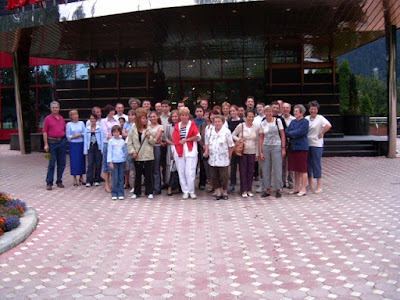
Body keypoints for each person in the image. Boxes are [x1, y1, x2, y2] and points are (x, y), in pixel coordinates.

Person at [127, 108, 156, 199]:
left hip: (147, 155)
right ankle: (137, 192)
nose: (145, 120)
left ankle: (149, 192)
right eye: (142, 118)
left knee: (148, 175)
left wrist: (149, 137)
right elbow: (129, 142)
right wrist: (133, 152)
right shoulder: (133, 129)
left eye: (145, 118)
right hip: (137, 155)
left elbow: (154, 141)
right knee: (138, 175)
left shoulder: (149, 128)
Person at [172, 107, 200, 199]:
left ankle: (191, 191)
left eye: (186, 115)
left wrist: (186, 140)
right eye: (182, 115)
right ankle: (185, 191)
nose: (184, 117)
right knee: (181, 171)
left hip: (190, 150)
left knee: (190, 172)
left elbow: (197, 136)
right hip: (179, 150)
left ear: (188, 116)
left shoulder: (192, 124)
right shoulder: (177, 126)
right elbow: (175, 139)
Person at [204, 115, 234, 200]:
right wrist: (206, 151)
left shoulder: (226, 132)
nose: (217, 123)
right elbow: (207, 143)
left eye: (219, 121)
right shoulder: (210, 131)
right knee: (214, 176)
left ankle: (224, 191)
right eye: (215, 122)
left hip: (223, 158)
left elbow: (231, 146)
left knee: (224, 176)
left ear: (222, 122)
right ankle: (218, 191)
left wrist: (229, 157)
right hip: (213, 158)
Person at [258, 105, 286, 198]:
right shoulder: (263, 123)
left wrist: (283, 148)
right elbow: (261, 138)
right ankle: (267, 189)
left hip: (276, 146)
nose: (268, 113)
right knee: (266, 168)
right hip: (266, 147)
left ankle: (278, 189)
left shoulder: (278, 121)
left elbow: (282, 134)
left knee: (277, 168)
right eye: (267, 112)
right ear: (265, 113)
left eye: (270, 112)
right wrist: (260, 151)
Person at [306, 100, 332, 194]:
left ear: (317, 110)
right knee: (308, 165)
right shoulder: (307, 118)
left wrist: (322, 133)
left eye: (314, 109)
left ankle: (319, 186)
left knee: (316, 164)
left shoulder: (320, 118)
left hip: (317, 144)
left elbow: (328, 125)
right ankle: (310, 184)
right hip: (307, 144)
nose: (313, 111)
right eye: (311, 109)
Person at [232, 109, 258, 198]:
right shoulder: (241, 126)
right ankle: (243, 189)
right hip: (243, 151)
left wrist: (257, 153)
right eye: (249, 117)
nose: (250, 118)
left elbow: (258, 141)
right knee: (243, 170)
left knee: (251, 171)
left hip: (253, 151)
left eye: (252, 117)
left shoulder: (256, 127)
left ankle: (249, 189)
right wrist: (239, 139)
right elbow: (233, 135)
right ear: (245, 117)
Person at [285, 104, 309, 197]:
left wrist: (292, 134)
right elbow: (287, 131)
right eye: (294, 111)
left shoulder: (305, 122)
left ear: (302, 113)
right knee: (295, 169)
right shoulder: (293, 122)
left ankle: (303, 188)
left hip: (301, 147)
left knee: (302, 169)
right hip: (293, 147)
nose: (294, 113)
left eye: (296, 111)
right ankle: (296, 187)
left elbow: (301, 132)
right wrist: (292, 134)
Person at [43, 101, 67, 190]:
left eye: (56, 107)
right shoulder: (47, 119)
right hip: (51, 143)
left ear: (59, 108)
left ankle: (59, 181)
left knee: (62, 163)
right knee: (51, 163)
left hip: (61, 142)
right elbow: (45, 131)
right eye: (53, 108)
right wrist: (46, 144)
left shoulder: (61, 118)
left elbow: (64, 129)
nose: (55, 109)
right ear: (51, 109)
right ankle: (49, 183)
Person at [100, 105, 119, 193]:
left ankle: (113, 183)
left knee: (114, 163)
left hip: (116, 144)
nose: (112, 112)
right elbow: (105, 133)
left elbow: (119, 131)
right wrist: (113, 138)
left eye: (113, 111)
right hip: (107, 144)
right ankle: (106, 184)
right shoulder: (103, 121)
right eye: (110, 111)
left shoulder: (117, 120)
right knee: (107, 164)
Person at [66, 109, 86, 186]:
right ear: (71, 117)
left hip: (81, 143)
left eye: (77, 114)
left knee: (81, 160)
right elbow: (68, 136)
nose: (76, 116)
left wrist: (81, 135)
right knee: (74, 161)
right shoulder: (69, 124)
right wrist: (75, 136)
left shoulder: (81, 123)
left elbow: (85, 132)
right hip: (73, 144)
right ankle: (74, 177)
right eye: (74, 115)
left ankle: (81, 176)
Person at [107, 125, 128, 200]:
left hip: (121, 161)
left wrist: (125, 161)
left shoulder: (122, 141)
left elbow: (125, 151)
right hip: (114, 162)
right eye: (114, 132)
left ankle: (121, 193)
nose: (116, 133)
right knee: (115, 178)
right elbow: (109, 152)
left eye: (117, 132)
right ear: (112, 133)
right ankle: (114, 193)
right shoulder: (111, 141)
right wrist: (110, 162)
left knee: (121, 178)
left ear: (120, 132)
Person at [84, 113, 104, 187]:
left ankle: (97, 180)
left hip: (97, 147)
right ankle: (89, 180)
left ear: (96, 120)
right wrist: (85, 150)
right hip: (90, 147)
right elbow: (86, 140)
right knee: (90, 164)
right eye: (91, 119)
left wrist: (102, 149)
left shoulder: (99, 128)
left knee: (98, 164)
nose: (92, 120)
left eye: (94, 119)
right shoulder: (87, 129)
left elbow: (102, 139)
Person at [227, 105, 244, 193]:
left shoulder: (242, 122)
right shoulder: (228, 122)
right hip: (231, 146)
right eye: (231, 111)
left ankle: (243, 184)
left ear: (237, 111)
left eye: (234, 111)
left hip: (240, 146)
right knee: (233, 166)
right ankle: (232, 184)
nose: (232, 113)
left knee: (242, 166)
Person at [163, 110, 180, 196]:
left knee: (179, 167)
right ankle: (170, 186)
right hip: (171, 147)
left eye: (176, 116)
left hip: (180, 147)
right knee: (171, 167)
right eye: (173, 116)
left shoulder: (181, 126)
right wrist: (173, 144)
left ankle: (179, 186)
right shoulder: (168, 126)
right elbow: (165, 138)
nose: (174, 118)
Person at [148, 111, 164, 195]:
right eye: (151, 117)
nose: (152, 118)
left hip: (157, 147)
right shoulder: (147, 126)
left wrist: (150, 138)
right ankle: (150, 187)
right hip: (148, 148)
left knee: (156, 168)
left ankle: (157, 188)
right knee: (149, 168)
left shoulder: (160, 127)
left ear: (157, 117)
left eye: (154, 116)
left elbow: (157, 139)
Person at [282, 102, 296, 189]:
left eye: (287, 108)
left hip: (291, 144)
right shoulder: (279, 119)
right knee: (282, 164)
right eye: (284, 108)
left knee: (291, 164)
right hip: (282, 144)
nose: (285, 109)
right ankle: (283, 182)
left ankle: (291, 182)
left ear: (290, 109)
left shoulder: (294, 120)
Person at [193, 105, 207, 190]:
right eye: (197, 111)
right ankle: (192, 183)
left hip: (203, 145)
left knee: (203, 164)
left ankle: (202, 183)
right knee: (194, 164)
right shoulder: (192, 122)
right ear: (195, 113)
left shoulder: (206, 121)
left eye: (200, 111)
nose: (199, 113)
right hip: (194, 144)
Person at [122, 110, 136, 190]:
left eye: (133, 115)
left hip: (135, 145)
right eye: (129, 115)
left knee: (134, 167)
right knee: (128, 166)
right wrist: (130, 134)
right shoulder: (126, 124)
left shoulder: (137, 124)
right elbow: (123, 133)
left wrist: (129, 134)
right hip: (127, 145)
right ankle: (127, 183)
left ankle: (135, 185)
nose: (131, 117)